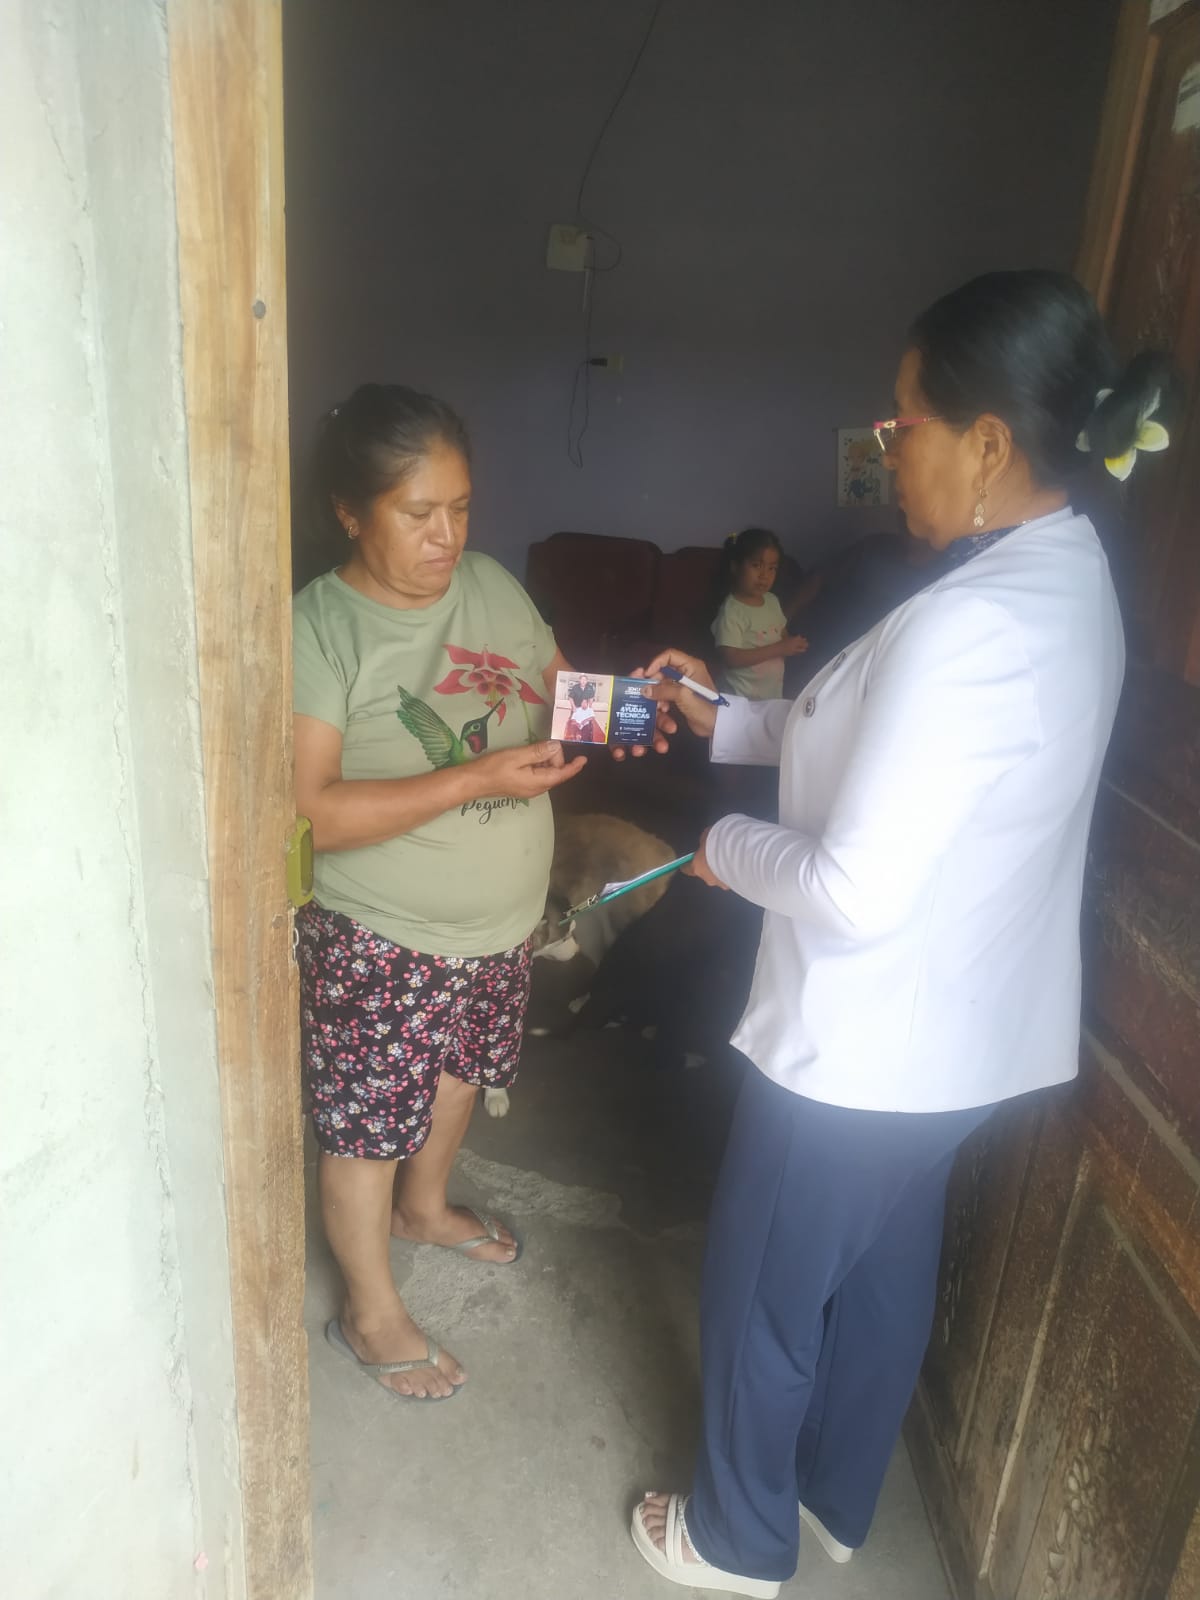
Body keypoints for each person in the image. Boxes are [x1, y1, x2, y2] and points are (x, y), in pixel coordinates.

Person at [629, 271, 1172, 1595]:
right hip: (952, 1044)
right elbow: (891, 745)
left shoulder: (972, 622)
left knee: (762, 1285)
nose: (888, 454)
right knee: (878, 1273)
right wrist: (727, 720)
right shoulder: (1061, 581)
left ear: (986, 444)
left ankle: (734, 1538)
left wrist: (718, 846)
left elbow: (855, 886)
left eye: (903, 424)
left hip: (861, 1043)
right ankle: (833, 1495)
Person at [292, 383, 588, 1401]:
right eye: (418, 513)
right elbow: (312, 811)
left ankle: (424, 1210)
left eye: (461, 508)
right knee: (367, 1124)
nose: (447, 537)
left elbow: (561, 687)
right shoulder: (320, 628)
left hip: (500, 925)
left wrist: (609, 718)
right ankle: (370, 1313)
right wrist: (473, 778)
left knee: (461, 1075)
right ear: (349, 511)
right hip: (385, 935)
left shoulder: (493, 583)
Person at [711, 528, 809, 700]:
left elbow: (781, 632)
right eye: (756, 565)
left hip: (770, 697)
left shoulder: (772, 601)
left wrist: (792, 644)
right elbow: (731, 658)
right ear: (735, 566)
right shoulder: (732, 610)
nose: (764, 575)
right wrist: (780, 648)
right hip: (739, 699)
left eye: (772, 568)